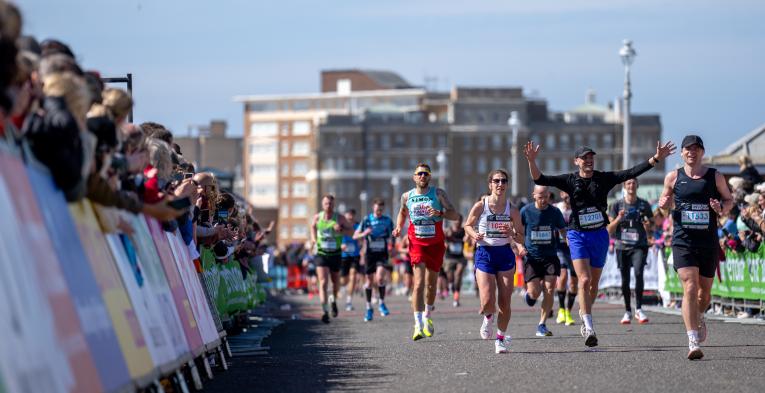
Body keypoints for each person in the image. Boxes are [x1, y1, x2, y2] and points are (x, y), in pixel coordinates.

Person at [525, 140, 675, 347]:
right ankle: (588, 325)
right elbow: (540, 178)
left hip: (599, 235)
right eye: (584, 158)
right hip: (577, 234)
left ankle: (585, 311)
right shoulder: (569, 180)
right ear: (576, 161)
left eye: (591, 157)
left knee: (593, 284)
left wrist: (656, 158)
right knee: (584, 280)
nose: (588, 160)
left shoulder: (604, 178)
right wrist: (532, 161)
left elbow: (631, 172)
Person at [658, 135, 732, 360]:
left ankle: (700, 315)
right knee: (690, 287)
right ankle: (692, 341)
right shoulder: (673, 177)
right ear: (681, 153)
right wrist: (664, 206)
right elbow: (664, 206)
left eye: (696, 149)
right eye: (687, 149)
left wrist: (721, 208)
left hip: (707, 242)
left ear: (702, 152)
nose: (691, 152)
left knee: (704, 293)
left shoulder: (714, 176)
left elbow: (729, 200)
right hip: (683, 241)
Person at [393, 163, 459, 341]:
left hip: (436, 244)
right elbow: (402, 212)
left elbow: (455, 215)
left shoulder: (438, 194)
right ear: (414, 177)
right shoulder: (407, 196)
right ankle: (417, 324)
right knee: (418, 283)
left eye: (426, 174)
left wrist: (440, 212)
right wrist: (399, 226)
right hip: (417, 243)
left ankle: (428, 315)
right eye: (419, 174)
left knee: (431, 286)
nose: (422, 176)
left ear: (429, 177)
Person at [464, 169, 526, 353]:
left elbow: (522, 237)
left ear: (507, 184)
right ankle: (488, 317)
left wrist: (513, 234)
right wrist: (475, 234)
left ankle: (500, 339)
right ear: (490, 184)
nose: (500, 184)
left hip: (505, 254)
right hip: (485, 253)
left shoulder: (512, 210)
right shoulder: (480, 206)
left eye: (504, 181)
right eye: (496, 181)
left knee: (505, 302)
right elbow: (467, 225)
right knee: (488, 301)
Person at [521, 185, 567, 337]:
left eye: (546, 196)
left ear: (549, 195)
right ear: (534, 195)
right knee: (535, 293)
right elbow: (518, 231)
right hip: (532, 257)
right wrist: (519, 246)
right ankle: (530, 296)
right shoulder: (526, 211)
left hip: (550, 256)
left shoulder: (555, 212)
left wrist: (569, 241)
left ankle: (542, 324)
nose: (543, 200)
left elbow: (562, 230)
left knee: (549, 289)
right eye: (540, 196)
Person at [607, 178, 653, 324]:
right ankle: (627, 311)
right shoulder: (616, 205)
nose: (631, 185)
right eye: (628, 183)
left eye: (633, 183)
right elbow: (609, 229)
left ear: (637, 186)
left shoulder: (644, 204)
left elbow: (650, 228)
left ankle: (639, 309)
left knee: (639, 273)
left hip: (639, 245)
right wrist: (619, 219)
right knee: (625, 279)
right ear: (624, 186)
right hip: (622, 246)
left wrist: (646, 225)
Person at [310, 195, 354, 323]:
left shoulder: (340, 218)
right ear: (322, 204)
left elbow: (351, 232)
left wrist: (340, 229)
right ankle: (324, 311)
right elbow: (312, 226)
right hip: (321, 253)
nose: (328, 206)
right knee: (323, 282)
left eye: (330, 204)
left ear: (333, 205)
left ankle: (333, 300)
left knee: (335, 282)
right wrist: (313, 239)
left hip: (335, 253)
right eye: (326, 203)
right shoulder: (317, 217)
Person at [355, 198, 395, 321]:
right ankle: (368, 308)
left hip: (382, 253)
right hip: (370, 254)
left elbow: (393, 235)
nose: (379, 212)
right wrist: (364, 233)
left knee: (380, 278)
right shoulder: (367, 220)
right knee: (369, 281)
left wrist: (392, 246)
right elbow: (355, 235)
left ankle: (381, 303)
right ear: (373, 208)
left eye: (381, 210)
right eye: (377, 210)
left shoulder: (387, 220)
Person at [554, 191, 577, 326]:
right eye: (566, 195)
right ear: (562, 194)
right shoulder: (557, 208)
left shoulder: (577, 208)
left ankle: (568, 311)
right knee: (562, 276)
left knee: (574, 282)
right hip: (560, 248)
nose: (569, 198)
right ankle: (561, 309)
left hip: (574, 248)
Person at [444, 215, 468, 307]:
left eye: (459, 220)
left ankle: (456, 296)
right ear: (453, 221)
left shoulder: (463, 231)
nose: (458, 222)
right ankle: (451, 286)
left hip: (460, 257)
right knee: (451, 278)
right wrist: (446, 241)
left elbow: (469, 240)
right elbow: (442, 239)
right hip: (449, 257)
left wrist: (467, 239)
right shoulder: (448, 230)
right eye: (456, 220)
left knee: (458, 274)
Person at [341, 209, 361, 311]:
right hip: (344, 256)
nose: (350, 218)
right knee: (343, 280)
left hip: (355, 255)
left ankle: (349, 300)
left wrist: (360, 240)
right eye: (348, 217)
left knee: (353, 276)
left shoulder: (357, 227)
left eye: (351, 217)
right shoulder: (340, 227)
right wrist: (340, 244)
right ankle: (343, 287)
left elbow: (361, 237)